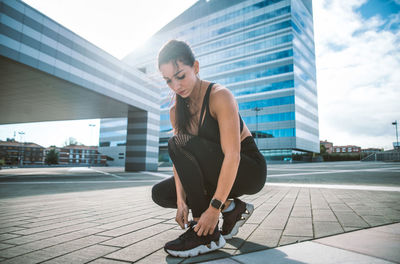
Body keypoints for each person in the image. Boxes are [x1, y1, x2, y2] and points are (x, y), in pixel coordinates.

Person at [152, 40, 267, 258]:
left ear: (195, 67)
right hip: (216, 171)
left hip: (247, 169)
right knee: (160, 193)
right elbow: (180, 159)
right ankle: (234, 209)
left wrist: (213, 209)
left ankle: (206, 233)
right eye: (168, 81)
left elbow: (232, 156)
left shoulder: (220, 96)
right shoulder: (176, 110)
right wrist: (180, 201)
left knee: (177, 142)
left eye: (180, 76)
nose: (176, 86)